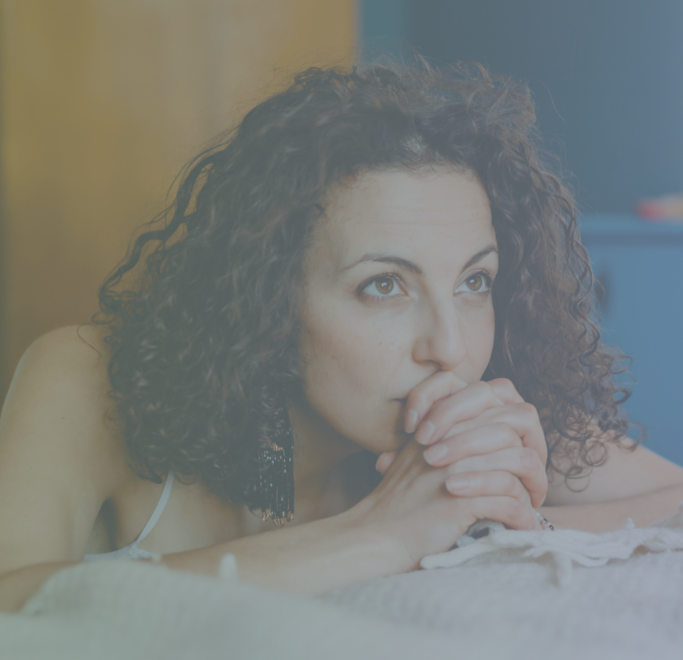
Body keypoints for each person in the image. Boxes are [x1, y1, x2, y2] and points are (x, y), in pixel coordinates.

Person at [2, 63, 683, 613]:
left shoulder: (486, 405)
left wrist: (514, 529)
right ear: (266, 297)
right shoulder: (89, 381)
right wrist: (380, 533)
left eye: (474, 282)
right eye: (384, 286)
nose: (448, 347)